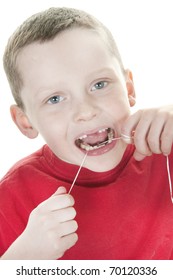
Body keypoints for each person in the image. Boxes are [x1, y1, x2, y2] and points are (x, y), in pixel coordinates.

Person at [1, 7, 173, 260]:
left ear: (128, 88)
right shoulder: (11, 197)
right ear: (25, 122)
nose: (86, 111)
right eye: (55, 98)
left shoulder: (164, 148)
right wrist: (20, 261)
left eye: (99, 84)